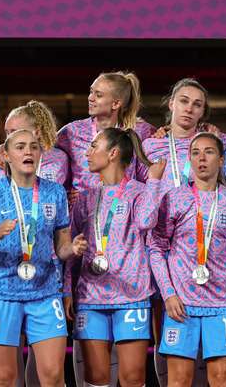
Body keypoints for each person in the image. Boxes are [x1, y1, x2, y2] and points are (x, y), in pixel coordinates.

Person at [0, 129, 87, 387]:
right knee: (3, 379)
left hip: (44, 294)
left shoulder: (55, 193)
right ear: (7, 155)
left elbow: (61, 246)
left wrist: (72, 249)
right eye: (20, 147)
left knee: (53, 377)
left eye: (33, 147)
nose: (28, 152)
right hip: (1, 294)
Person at [141, 78, 226, 387]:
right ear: (171, 104)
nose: (189, 108)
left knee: (213, 358)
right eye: (183, 101)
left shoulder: (217, 142)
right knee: (164, 337)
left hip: (204, 255)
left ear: (203, 111)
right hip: (161, 249)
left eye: (197, 103)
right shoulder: (150, 144)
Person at [66, 128, 167, 387]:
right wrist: (67, 289)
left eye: (93, 146)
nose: (87, 153)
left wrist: (155, 181)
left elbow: (146, 221)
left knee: (132, 378)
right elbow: (71, 249)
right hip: (91, 295)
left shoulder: (139, 191)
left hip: (132, 295)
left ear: (112, 153)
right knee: (97, 377)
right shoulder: (86, 197)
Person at [149, 132, 226, 387]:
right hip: (182, 302)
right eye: (195, 152)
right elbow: (156, 247)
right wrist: (168, 294)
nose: (201, 158)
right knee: (179, 380)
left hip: (221, 302)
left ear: (222, 160)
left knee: (222, 379)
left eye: (209, 152)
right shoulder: (174, 198)